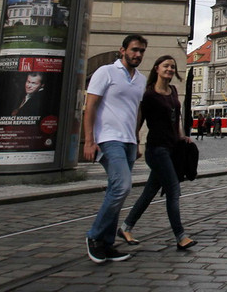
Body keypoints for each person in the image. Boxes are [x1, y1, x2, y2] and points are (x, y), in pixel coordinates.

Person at [119, 55, 197, 251]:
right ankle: (180, 236)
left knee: (150, 191)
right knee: (173, 189)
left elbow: (176, 119)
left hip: (172, 149)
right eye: (166, 66)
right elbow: (138, 121)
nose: (170, 69)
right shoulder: (148, 95)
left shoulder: (173, 91)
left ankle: (126, 227)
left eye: (172, 66)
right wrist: (135, 144)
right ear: (156, 69)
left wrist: (182, 137)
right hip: (156, 149)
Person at [84, 34, 148, 264]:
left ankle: (106, 244)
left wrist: (138, 140)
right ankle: (94, 236)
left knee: (116, 190)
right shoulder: (105, 72)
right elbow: (90, 106)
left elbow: (137, 111)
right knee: (122, 187)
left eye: (141, 51)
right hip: (108, 138)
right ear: (122, 50)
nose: (137, 54)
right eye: (134, 50)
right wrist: (89, 140)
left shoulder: (140, 79)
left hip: (129, 140)